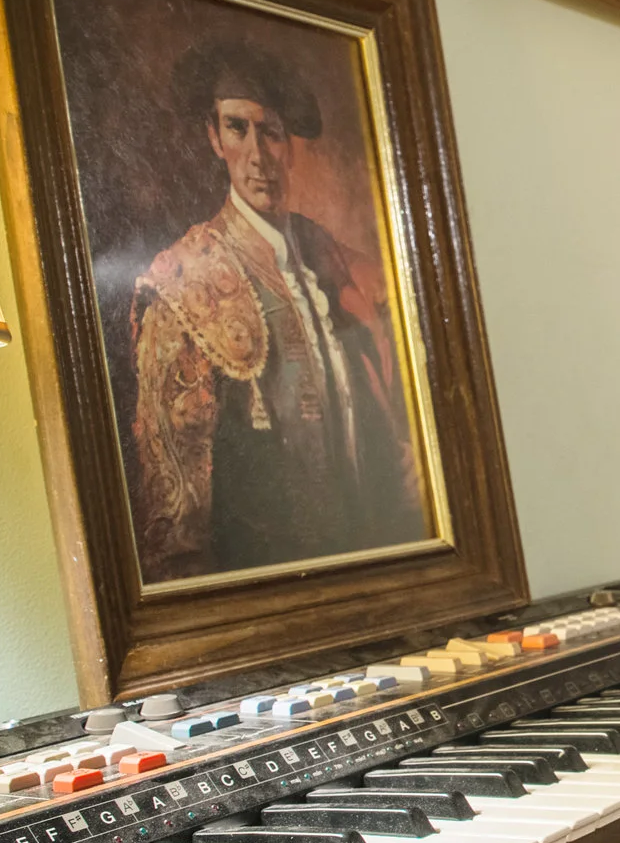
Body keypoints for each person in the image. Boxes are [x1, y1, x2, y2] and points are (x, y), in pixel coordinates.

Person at [129, 39, 423, 581]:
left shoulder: (332, 259)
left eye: (271, 132)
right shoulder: (183, 283)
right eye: (237, 128)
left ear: (290, 146)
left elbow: (385, 416)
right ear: (214, 138)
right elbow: (178, 524)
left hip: (369, 566)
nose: (257, 157)